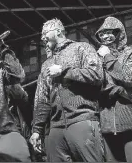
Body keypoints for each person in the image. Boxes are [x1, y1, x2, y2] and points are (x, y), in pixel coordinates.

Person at [30, 18, 104, 162]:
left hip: (82, 120)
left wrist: (64, 71)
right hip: (55, 129)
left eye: (45, 32)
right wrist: (37, 130)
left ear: (58, 31)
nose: (42, 37)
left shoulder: (82, 48)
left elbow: (97, 75)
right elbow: (42, 99)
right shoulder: (46, 64)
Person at [96, 16, 132, 162]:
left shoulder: (130, 53)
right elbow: (96, 84)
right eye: (102, 33)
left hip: (131, 121)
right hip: (106, 125)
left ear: (120, 33)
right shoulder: (97, 58)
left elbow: (129, 78)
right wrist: (116, 88)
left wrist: (108, 56)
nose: (105, 36)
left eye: (110, 32)